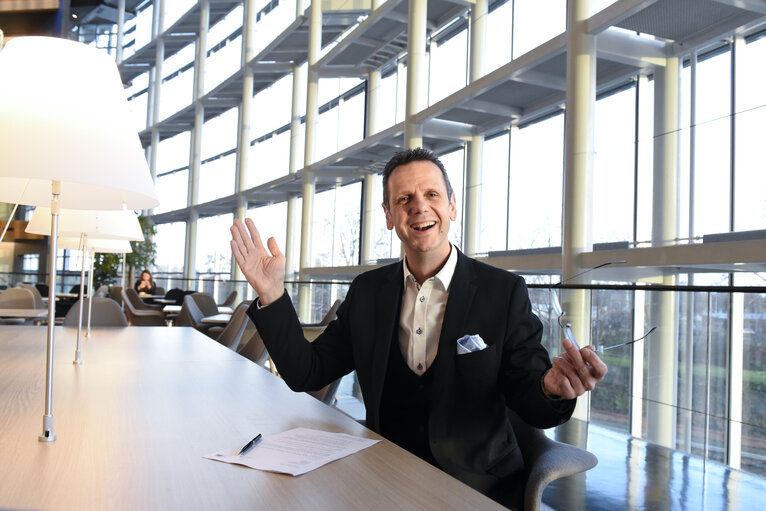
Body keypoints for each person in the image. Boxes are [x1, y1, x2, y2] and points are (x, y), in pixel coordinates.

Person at [230, 147, 607, 509]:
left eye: (431, 194)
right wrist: (273, 295)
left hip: (477, 485)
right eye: (403, 199)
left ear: (452, 205)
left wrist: (554, 390)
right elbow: (306, 372)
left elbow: (529, 397)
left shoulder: (503, 292)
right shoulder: (367, 292)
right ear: (389, 215)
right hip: (384, 477)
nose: (419, 206)